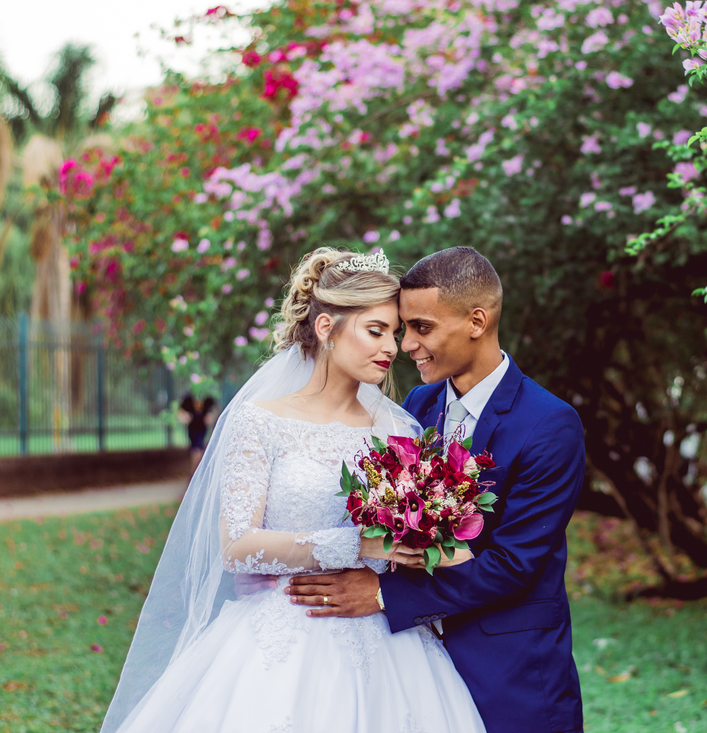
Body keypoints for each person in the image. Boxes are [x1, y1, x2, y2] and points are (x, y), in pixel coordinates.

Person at [100, 248, 486, 733]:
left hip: (390, 643)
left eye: (396, 332)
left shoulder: (400, 430)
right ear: (326, 328)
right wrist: (353, 544)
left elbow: (426, 543)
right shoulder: (259, 421)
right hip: (283, 636)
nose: (391, 347)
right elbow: (237, 548)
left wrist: (434, 540)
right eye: (375, 330)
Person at [284, 246, 588, 733]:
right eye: (403, 329)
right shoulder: (414, 408)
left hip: (510, 673)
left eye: (422, 328)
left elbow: (515, 565)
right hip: (412, 669)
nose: (406, 346)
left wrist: (382, 594)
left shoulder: (549, 425)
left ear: (476, 321)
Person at [176, 393, 217, 469]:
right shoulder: (188, 400)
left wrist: (211, 416)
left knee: (197, 451)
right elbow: (180, 412)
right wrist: (185, 416)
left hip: (201, 429)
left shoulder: (207, 400)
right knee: (195, 451)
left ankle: (195, 472)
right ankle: (195, 472)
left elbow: (213, 410)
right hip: (192, 429)